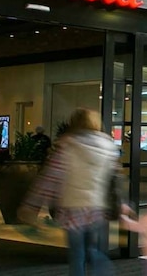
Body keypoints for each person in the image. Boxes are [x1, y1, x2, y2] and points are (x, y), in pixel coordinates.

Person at [20, 108, 120, 276]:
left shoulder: (67, 147)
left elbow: (50, 179)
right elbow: (113, 178)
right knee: (93, 250)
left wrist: (31, 205)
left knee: (77, 253)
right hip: (97, 206)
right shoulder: (109, 147)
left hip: (73, 208)